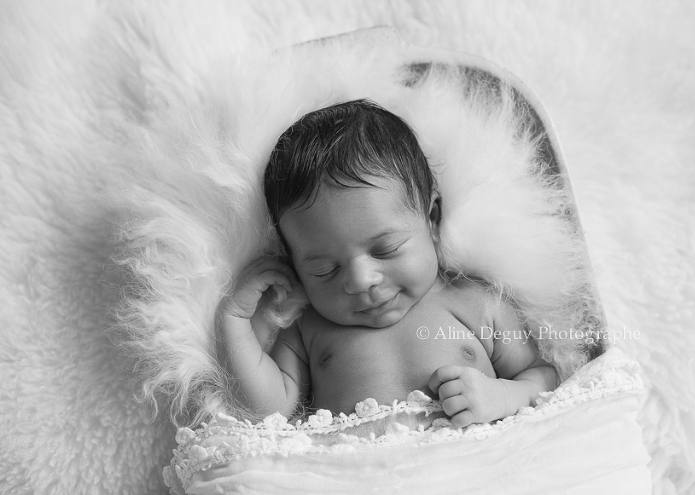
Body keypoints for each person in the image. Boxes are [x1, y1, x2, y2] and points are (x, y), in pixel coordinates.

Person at [220, 99, 558, 428]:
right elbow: (267, 413)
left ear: (432, 220)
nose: (360, 280)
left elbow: (542, 374)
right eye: (324, 269)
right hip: (362, 478)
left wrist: (502, 395)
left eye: (385, 249)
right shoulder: (308, 328)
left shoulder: (474, 303)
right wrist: (234, 321)